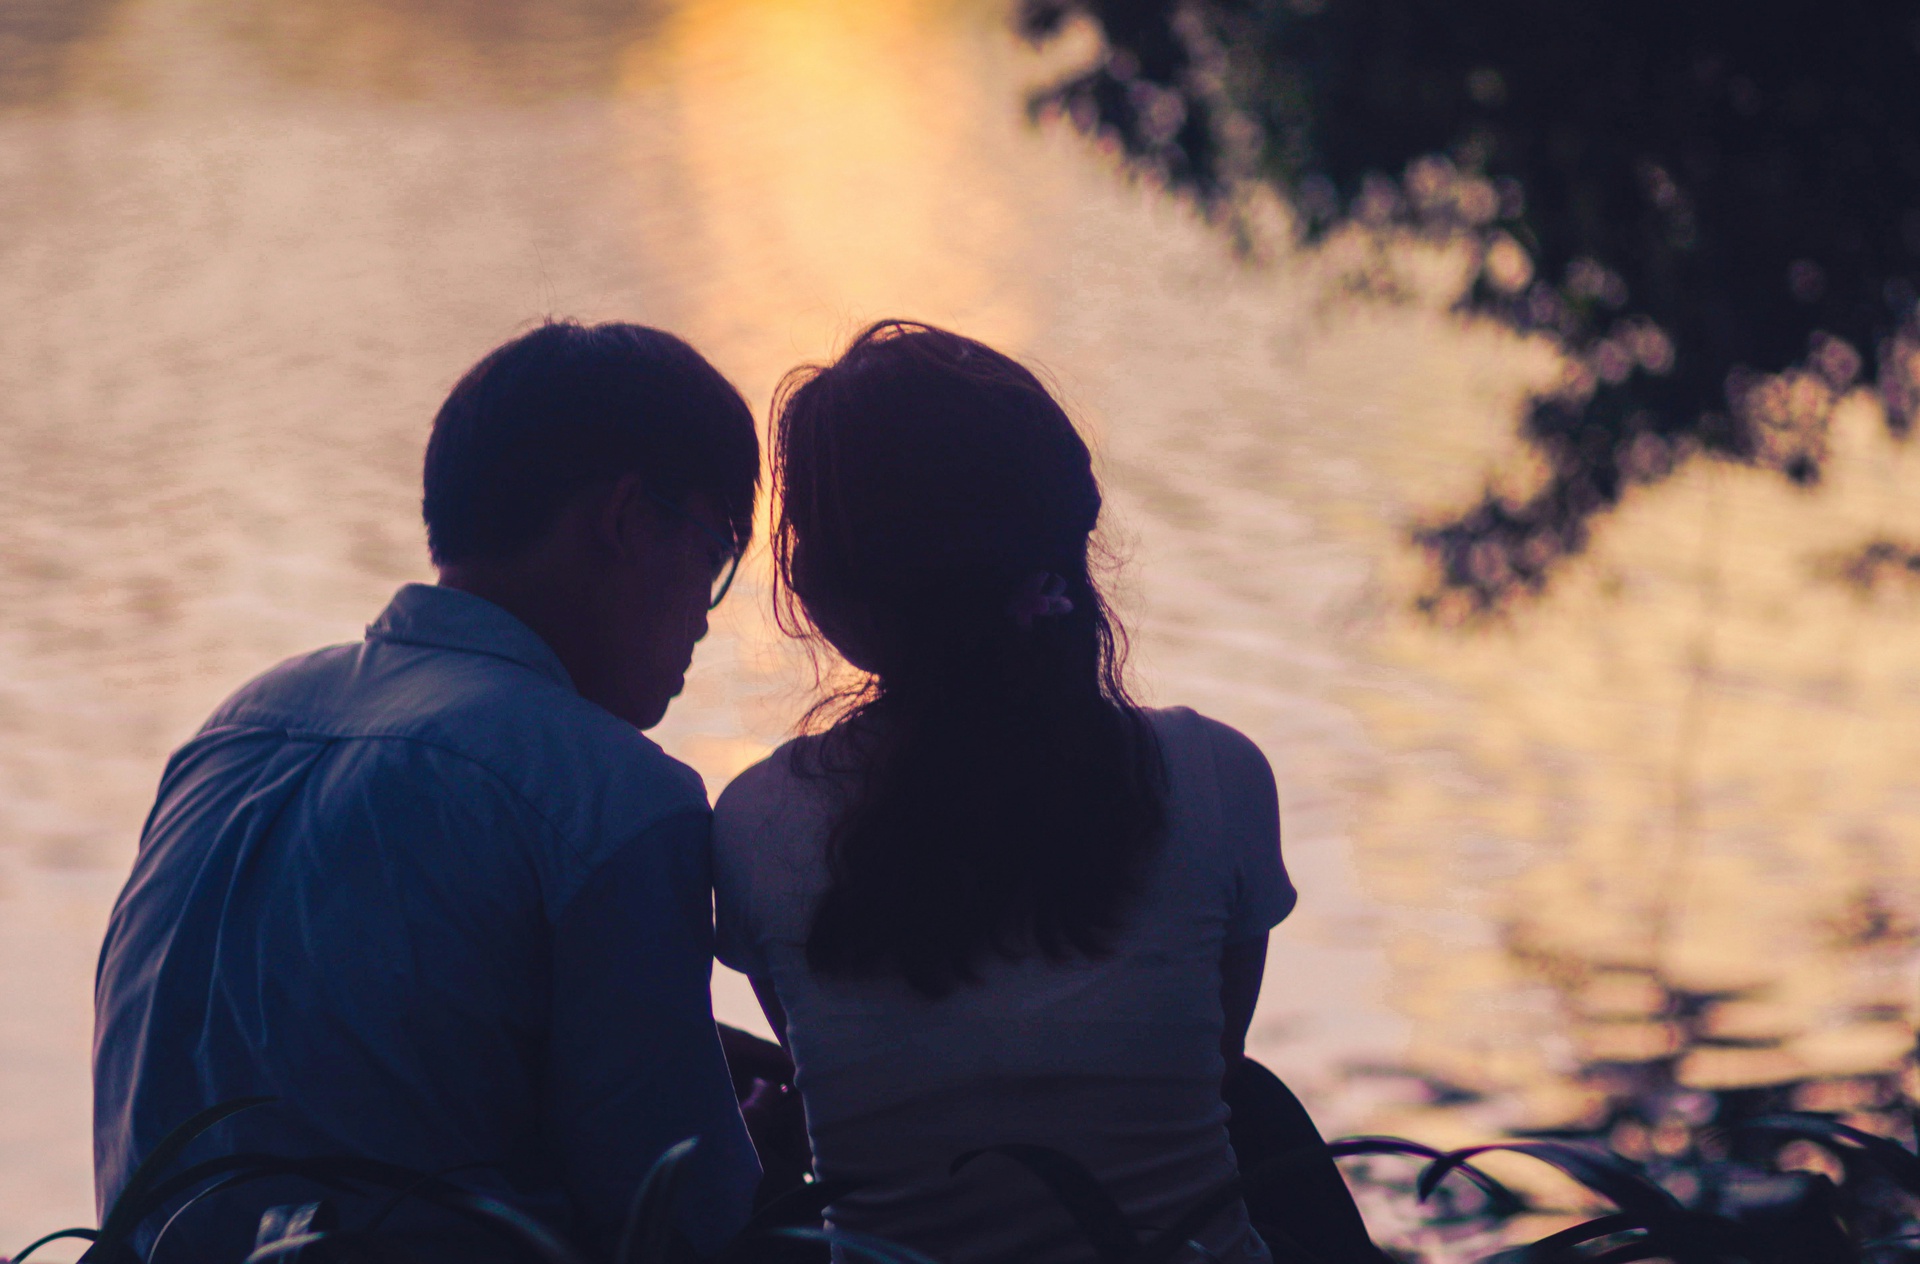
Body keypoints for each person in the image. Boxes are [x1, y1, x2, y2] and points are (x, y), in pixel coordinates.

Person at [94, 321, 762, 1263]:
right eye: (714, 551)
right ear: (626, 518)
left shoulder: (237, 725)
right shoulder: (609, 794)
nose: (705, 610)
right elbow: (682, 1217)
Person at [711, 322, 1313, 1264]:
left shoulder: (753, 828)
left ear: (821, 588)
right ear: (1067, 541)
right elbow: (1209, 1068)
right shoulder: (1219, 777)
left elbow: (842, 1079)